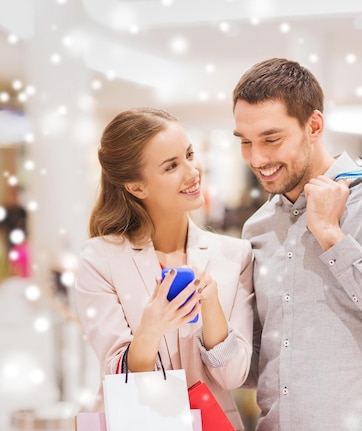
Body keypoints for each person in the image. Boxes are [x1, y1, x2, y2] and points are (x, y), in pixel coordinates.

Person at [232, 58, 362, 430]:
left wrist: (332, 236)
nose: (257, 158)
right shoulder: (257, 228)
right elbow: (259, 365)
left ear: (314, 126)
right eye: (246, 142)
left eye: (271, 139)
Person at [74, 107, 254, 430]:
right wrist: (152, 328)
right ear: (136, 186)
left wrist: (211, 305)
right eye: (171, 166)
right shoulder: (99, 260)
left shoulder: (235, 255)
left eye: (189, 155)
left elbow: (233, 376)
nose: (192, 171)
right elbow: (117, 373)